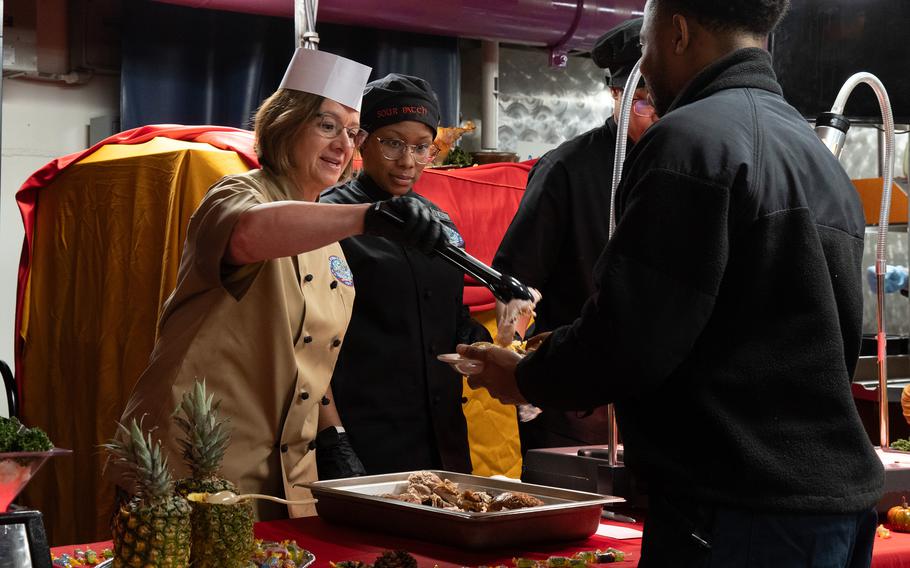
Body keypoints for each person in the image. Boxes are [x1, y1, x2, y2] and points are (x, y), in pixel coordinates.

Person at [460, 0, 884, 565]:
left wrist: (527, 377)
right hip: (832, 507)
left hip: (740, 508)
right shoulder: (814, 153)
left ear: (678, 31)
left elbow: (631, 334)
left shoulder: (689, 140)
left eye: (648, 37)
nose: (645, 58)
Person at [114, 49, 451, 521]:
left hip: (287, 467)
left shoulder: (332, 245)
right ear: (285, 124)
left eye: (351, 132)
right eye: (326, 125)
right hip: (195, 459)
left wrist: (334, 438)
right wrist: (370, 217)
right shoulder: (237, 193)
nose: (342, 145)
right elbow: (248, 234)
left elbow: (313, 356)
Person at [491, 17, 658, 452]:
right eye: (642, 103)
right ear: (615, 96)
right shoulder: (567, 168)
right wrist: (518, 360)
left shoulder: (679, 167)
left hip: (654, 396)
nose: (656, 116)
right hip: (572, 398)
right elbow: (516, 280)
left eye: (666, 103)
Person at [319, 73, 491, 477]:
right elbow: (307, 341)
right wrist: (334, 440)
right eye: (392, 143)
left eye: (421, 147)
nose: (407, 162)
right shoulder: (327, 217)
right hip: (366, 441)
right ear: (362, 139)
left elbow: (449, 314)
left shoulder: (438, 222)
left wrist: (474, 341)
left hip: (443, 441)